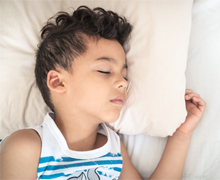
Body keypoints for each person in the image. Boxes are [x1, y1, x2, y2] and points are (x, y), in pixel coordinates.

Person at [0, 6, 206, 180]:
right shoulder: (27, 147)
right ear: (57, 81)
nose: (123, 83)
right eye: (104, 71)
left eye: (124, 76)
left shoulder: (113, 147)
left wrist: (181, 134)